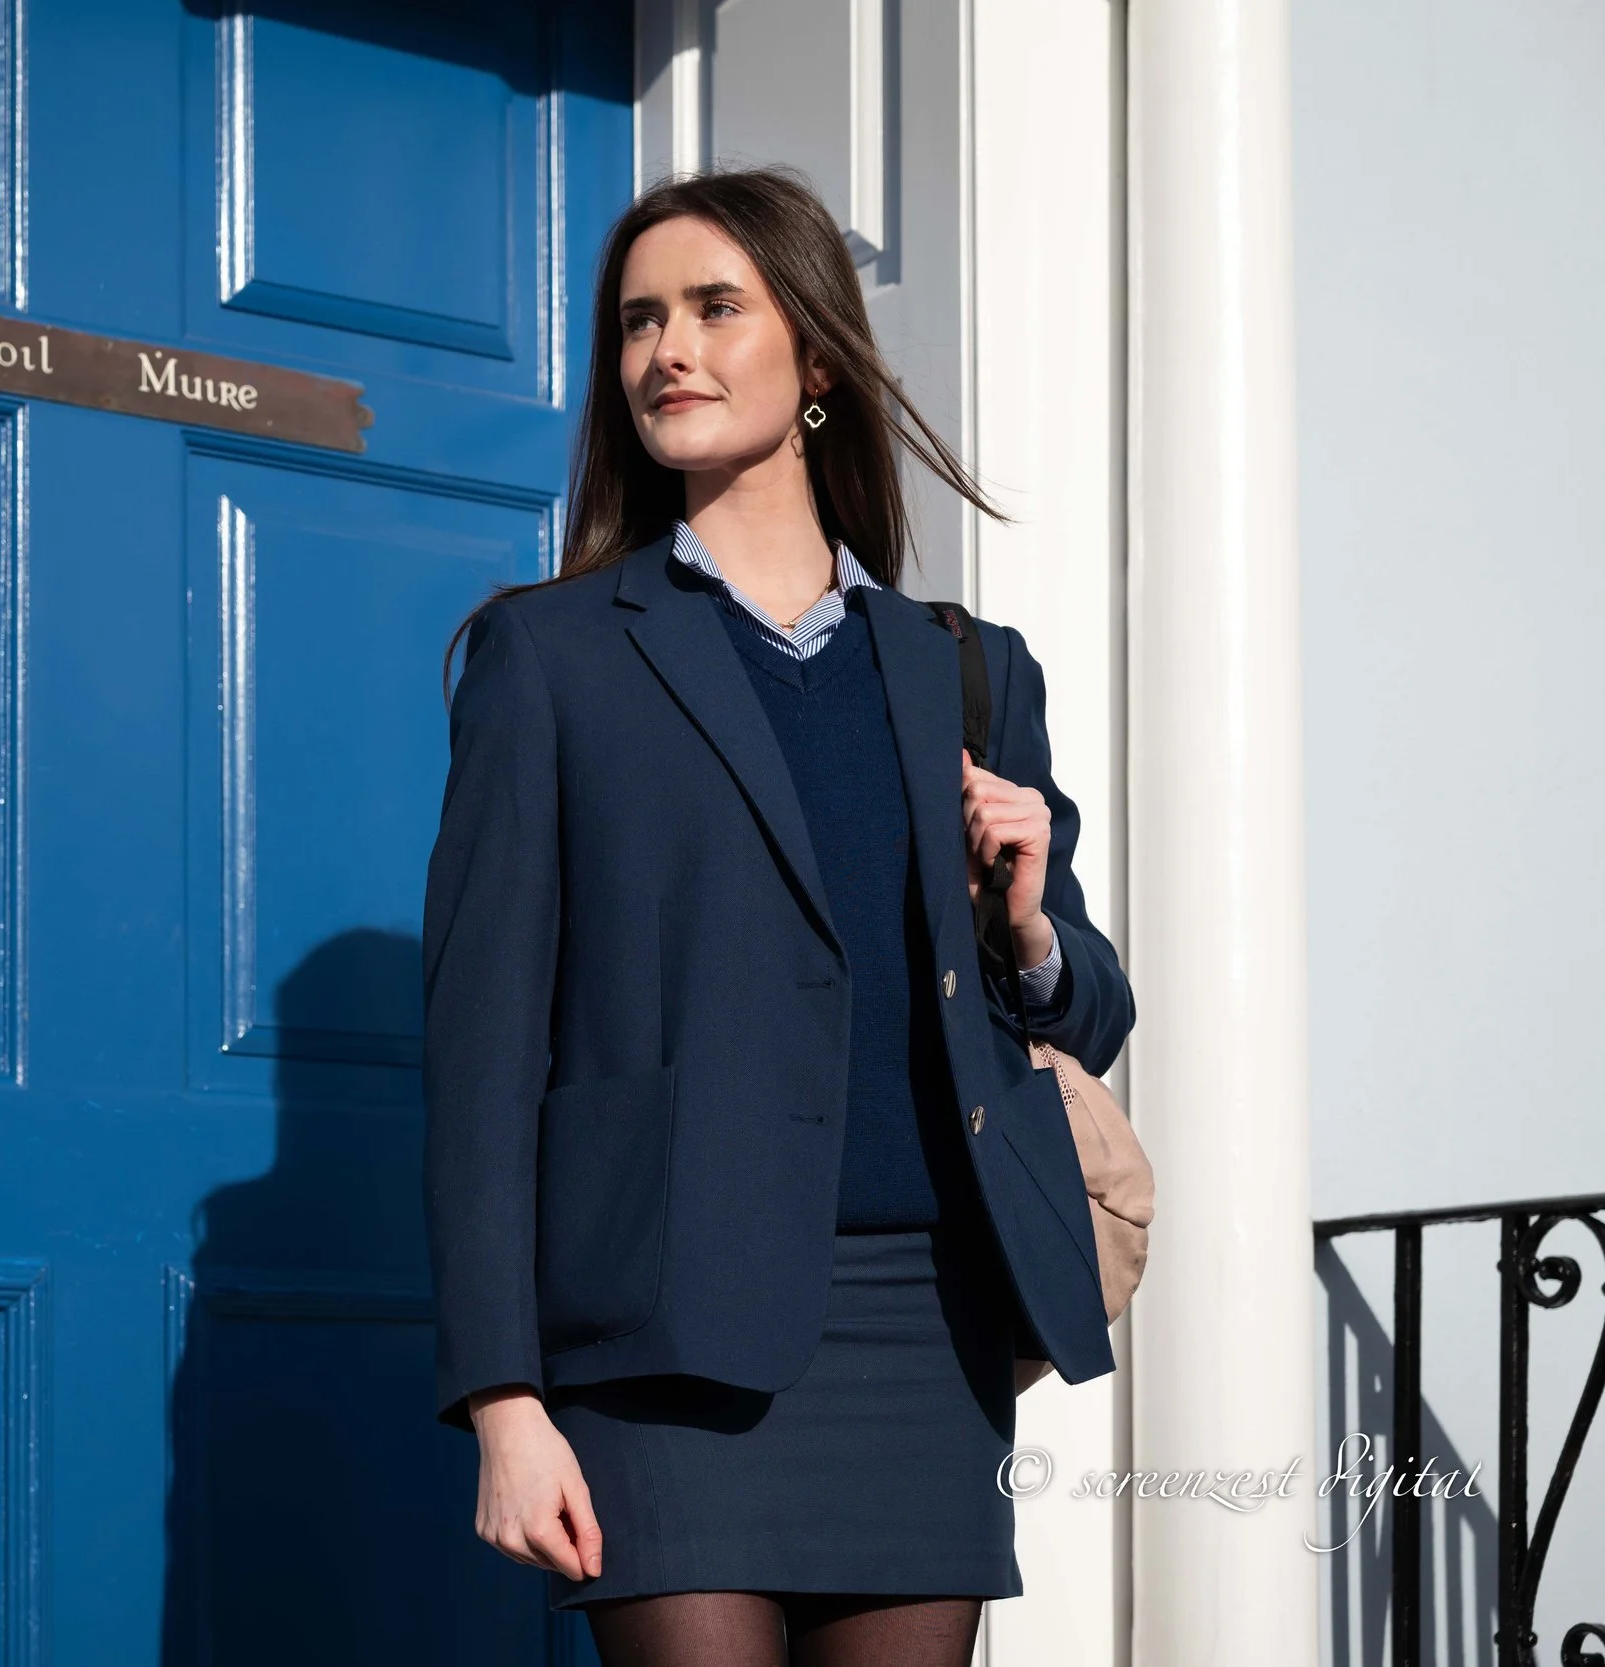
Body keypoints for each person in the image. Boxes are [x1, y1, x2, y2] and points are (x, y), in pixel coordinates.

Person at [421, 166, 1135, 1667]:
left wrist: (1028, 925)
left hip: (927, 1329)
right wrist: (504, 1398)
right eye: (638, 322)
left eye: (712, 309)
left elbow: (1087, 1013)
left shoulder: (967, 668)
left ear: (814, 357)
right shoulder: (549, 658)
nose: (665, 350)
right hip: (660, 1345)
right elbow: (482, 1063)